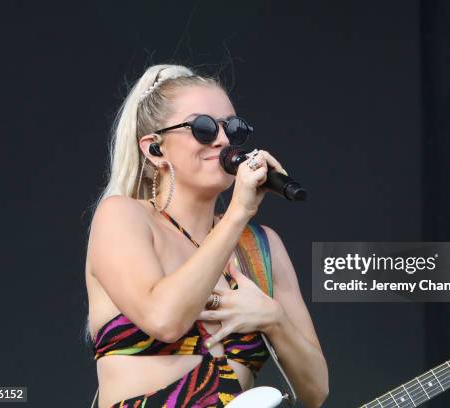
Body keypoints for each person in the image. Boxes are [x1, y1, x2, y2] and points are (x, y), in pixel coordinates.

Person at [84, 64, 329, 408]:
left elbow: (315, 392)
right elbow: (164, 320)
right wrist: (238, 212)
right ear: (155, 149)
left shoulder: (261, 247)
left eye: (234, 128)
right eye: (202, 128)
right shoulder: (123, 217)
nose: (224, 140)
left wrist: (273, 317)